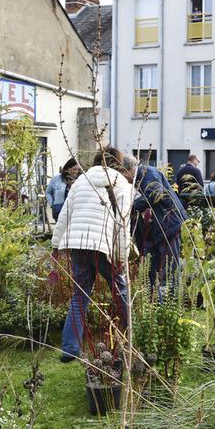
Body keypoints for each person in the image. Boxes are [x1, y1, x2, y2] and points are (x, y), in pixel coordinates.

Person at [51, 148, 132, 362]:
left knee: (80, 296)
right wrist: (121, 257)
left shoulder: (81, 181)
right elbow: (123, 224)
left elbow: (65, 215)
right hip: (102, 246)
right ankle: (134, 337)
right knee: (120, 290)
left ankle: (69, 349)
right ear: (118, 164)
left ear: (96, 162)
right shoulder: (120, 183)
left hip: (77, 244)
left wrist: (55, 244)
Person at [123, 154, 187, 291]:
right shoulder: (141, 177)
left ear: (126, 171)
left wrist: (132, 206)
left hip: (169, 224)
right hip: (159, 227)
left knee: (169, 266)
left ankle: (170, 298)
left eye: (122, 175)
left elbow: (155, 194)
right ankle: (154, 296)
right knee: (152, 263)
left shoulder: (147, 173)